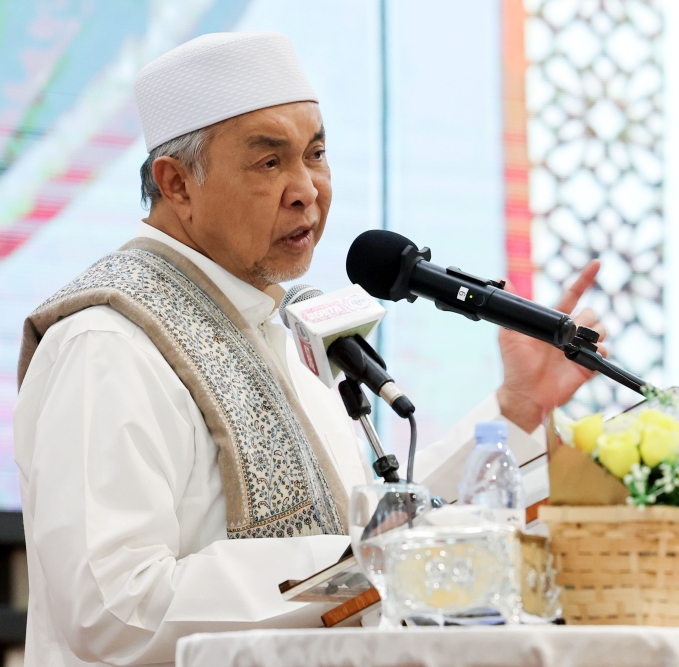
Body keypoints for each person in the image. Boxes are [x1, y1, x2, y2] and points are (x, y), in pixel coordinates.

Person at [13, 31, 606, 666]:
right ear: (176, 183)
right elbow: (110, 610)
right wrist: (357, 555)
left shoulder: (286, 322)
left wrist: (515, 408)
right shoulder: (107, 343)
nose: (307, 190)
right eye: (270, 163)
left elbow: (365, 524)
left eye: (315, 154)